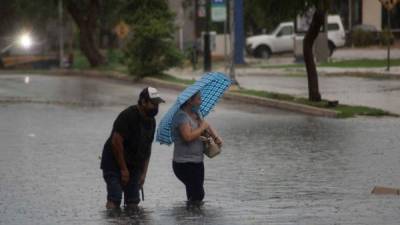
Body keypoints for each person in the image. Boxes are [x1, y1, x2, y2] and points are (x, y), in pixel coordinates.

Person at [100, 87, 165, 209]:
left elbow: (147, 148)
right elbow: (116, 142)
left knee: (133, 201)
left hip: (135, 164)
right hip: (113, 163)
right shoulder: (128, 115)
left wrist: (143, 174)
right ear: (143, 101)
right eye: (153, 103)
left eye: (157, 104)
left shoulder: (151, 121)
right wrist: (123, 169)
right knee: (115, 196)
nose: (156, 107)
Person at [171, 92, 223, 206]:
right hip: (184, 163)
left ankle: (190, 216)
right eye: (199, 99)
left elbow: (207, 125)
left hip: (198, 162)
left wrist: (216, 137)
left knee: (194, 194)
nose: (201, 101)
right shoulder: (181, 116)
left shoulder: (196, 113)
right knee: (198, 194)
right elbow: (187, 137)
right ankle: (192, 216)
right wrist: (202, 128)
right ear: (190, 101)